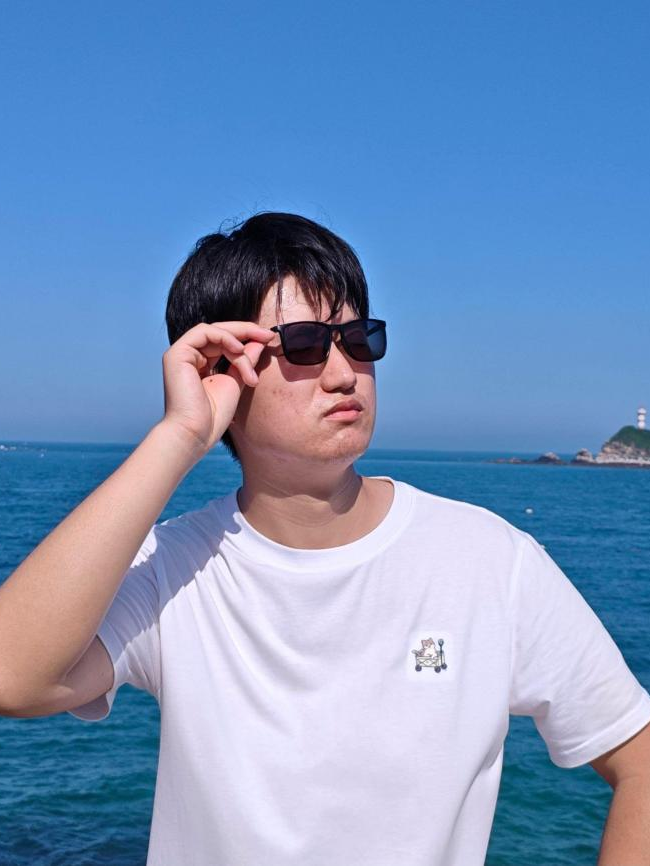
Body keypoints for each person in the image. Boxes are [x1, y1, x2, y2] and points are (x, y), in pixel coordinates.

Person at [1, 211, 649, 866]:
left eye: (359, 339)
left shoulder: (489, 561)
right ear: (225, 366)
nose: (345, 373)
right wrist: (180, 436)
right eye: (306, 344)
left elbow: (639, 758)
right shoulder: (173, 568)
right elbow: (12, 679)